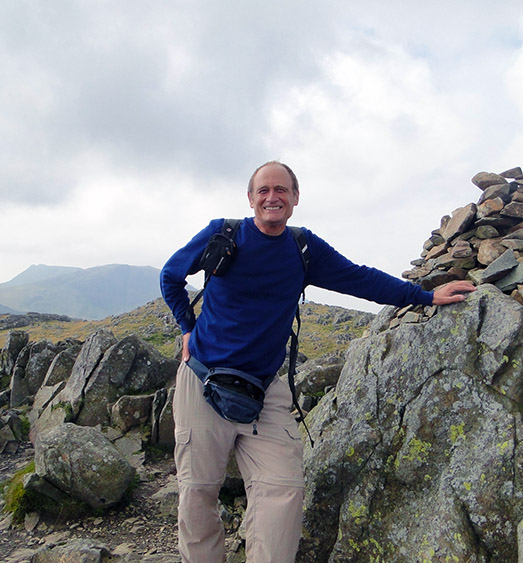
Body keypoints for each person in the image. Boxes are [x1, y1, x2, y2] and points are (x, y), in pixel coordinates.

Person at [159, 161, 475, 562]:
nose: (272, 197)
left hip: (263, 390)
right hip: (202, 381)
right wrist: (187, 328)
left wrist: (426, 295)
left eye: (282, 190)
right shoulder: (224, 233)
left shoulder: (303, 248)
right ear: (251, 198)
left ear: (294, 198)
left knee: (283, 489)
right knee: (198, 493)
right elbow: (171, 275)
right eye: (264, 190)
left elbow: (360, 279)